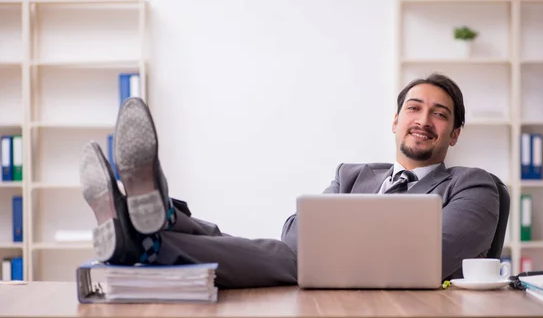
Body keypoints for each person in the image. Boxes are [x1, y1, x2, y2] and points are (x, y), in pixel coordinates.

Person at [79, 73, 500, 289]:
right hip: (319, 281)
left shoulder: (473, 185)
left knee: (281, 260)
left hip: (399, 301)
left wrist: (332, 254)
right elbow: (297, 234)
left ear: (455, 133)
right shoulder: (353, 174)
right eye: (413, 108)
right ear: (395, 121)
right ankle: (154, 220)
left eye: (440, 114)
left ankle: (148, 224)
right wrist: (327, 252)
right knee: (264, 250)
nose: (423, 120)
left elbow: (436, 253)